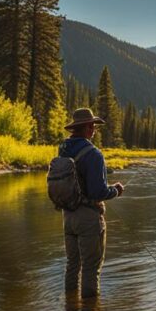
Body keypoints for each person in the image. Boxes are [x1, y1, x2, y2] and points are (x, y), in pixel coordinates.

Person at [59, 108, 125, 298]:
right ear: (87, 128)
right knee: (91, 269)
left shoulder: (63, 148)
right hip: (88, 217)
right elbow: (98, 192)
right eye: (93, 126)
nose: (94, 129)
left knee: (72, 266)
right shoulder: (94, 154)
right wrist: (116, 190)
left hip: (68, 215)